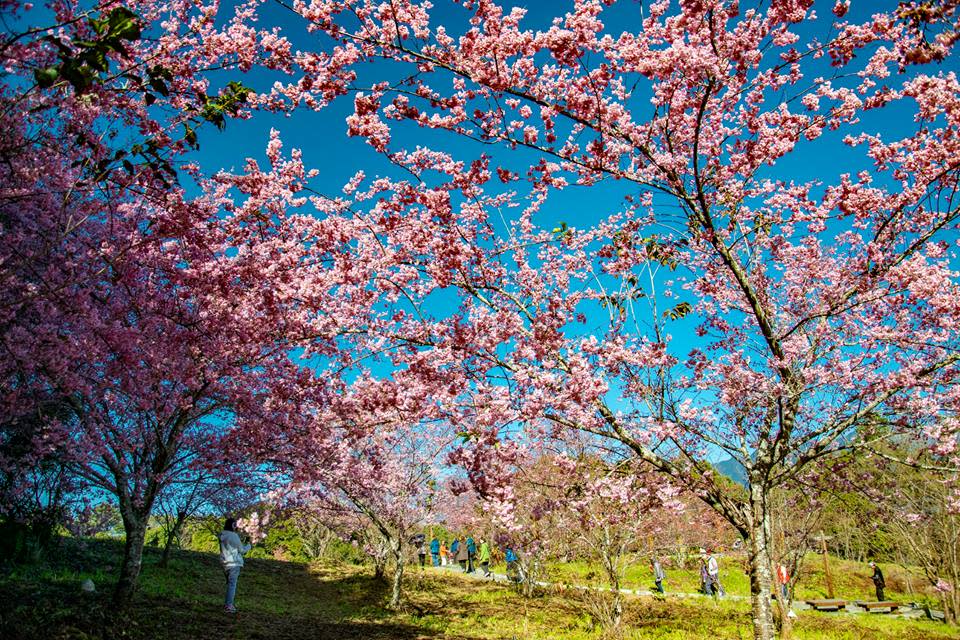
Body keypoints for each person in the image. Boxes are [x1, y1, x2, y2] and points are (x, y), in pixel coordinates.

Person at [219, 517, 252, 614]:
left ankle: (228, 603)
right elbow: (242, 550)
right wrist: (248, 545)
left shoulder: (222, 535)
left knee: (229, 584)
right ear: (233, 525)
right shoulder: (234, 536)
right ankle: (229, 605)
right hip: (234, 563)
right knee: (232, 585)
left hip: (224, 562)